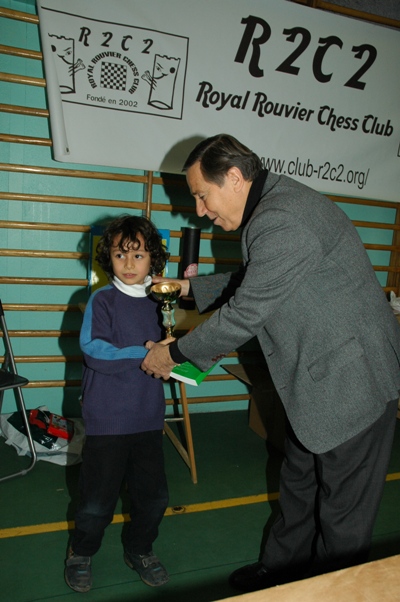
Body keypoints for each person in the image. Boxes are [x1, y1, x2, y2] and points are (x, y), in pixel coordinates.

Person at [141, 134, 400, 591]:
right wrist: (186, 288)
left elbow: (245, 312)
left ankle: (330, 592)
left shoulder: (283, 218)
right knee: (298, 483)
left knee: (342, 518)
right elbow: (257, 278)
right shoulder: (275, 206)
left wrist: (172, 353)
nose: (198, 210)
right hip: (317, 379)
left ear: (234, 178)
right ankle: (280, 572)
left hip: (351, 383)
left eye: (201, 195)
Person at [65, 215, 170, 593]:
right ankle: (81, 552)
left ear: (153, 259)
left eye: (138, 255)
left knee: (153, 498)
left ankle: (140, 549)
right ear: (107, 258)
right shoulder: (102, 300)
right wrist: (147, 355)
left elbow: (170, 350)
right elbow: (95, 352)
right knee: (96, 502)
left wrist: (184, 359)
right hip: (108, 420)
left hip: (147, 418)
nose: (128, 263)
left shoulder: (162, 302)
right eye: (119, 254)